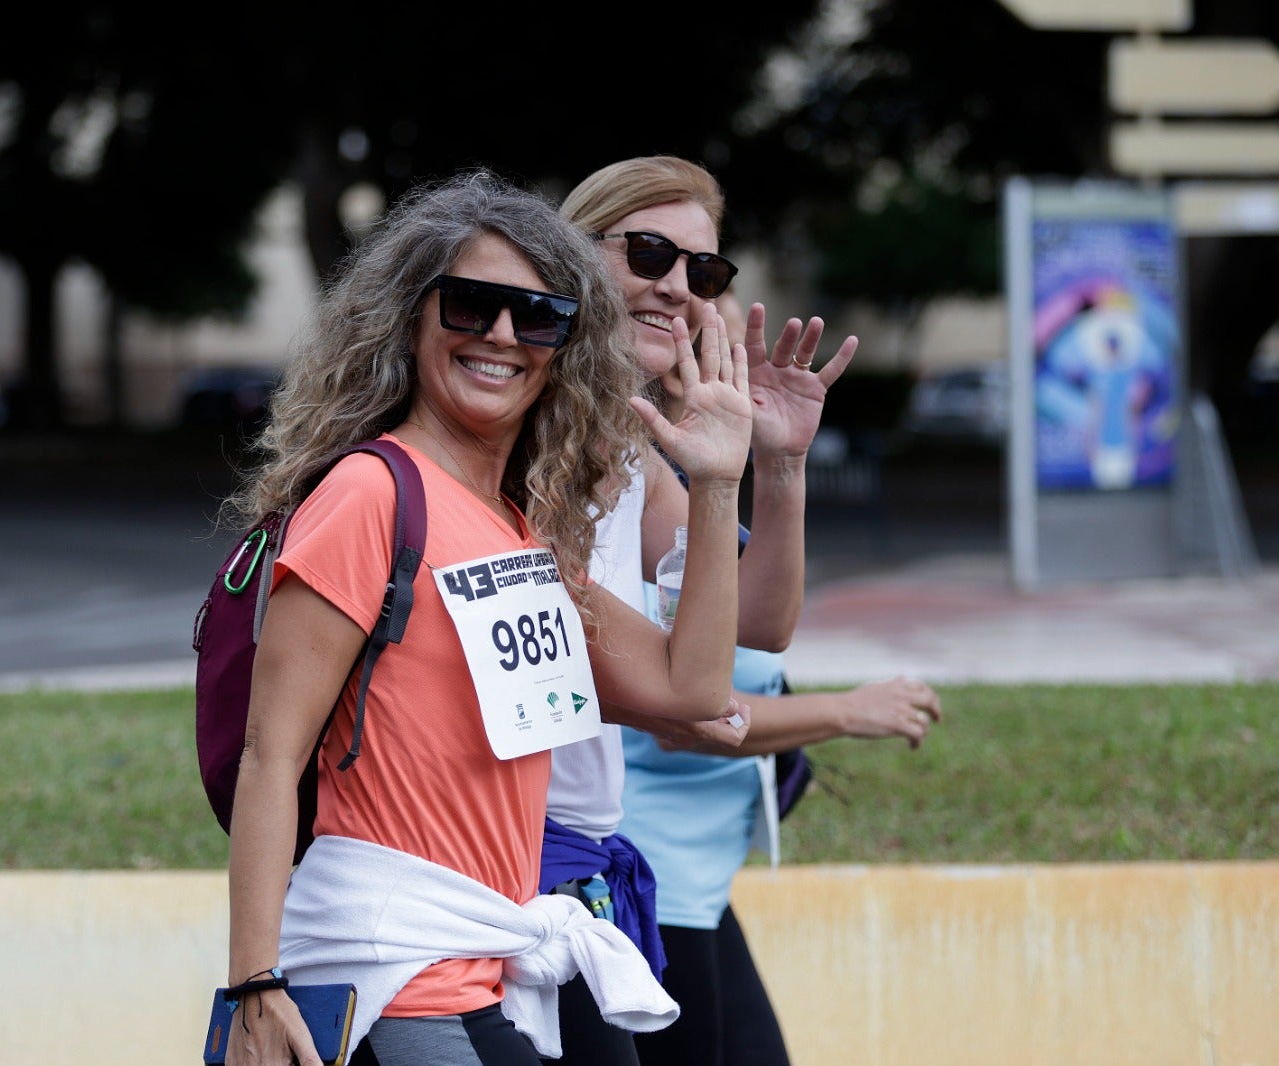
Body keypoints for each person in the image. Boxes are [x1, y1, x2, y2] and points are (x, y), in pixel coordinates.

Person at [220, 168, 757, 1066]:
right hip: (390, 965)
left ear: (567, 349)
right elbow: (270, 754)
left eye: (538, 316)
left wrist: (717, 480)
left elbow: (692, 687)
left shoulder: (519, 530)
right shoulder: (370, 494)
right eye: (472, 305)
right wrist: (253, 985)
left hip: (495, 966)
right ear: (412, 318)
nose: (503, 335)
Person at [538, 155, 855, 1066]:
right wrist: (842, 714)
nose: (678, 288)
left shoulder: (630, 449)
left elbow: (758, 626)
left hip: (591, 868)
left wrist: (778, 461)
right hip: (511, 874)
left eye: (704, 272)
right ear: (567, 255)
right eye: (648, 253)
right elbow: (692, 695)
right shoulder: (520, 433)